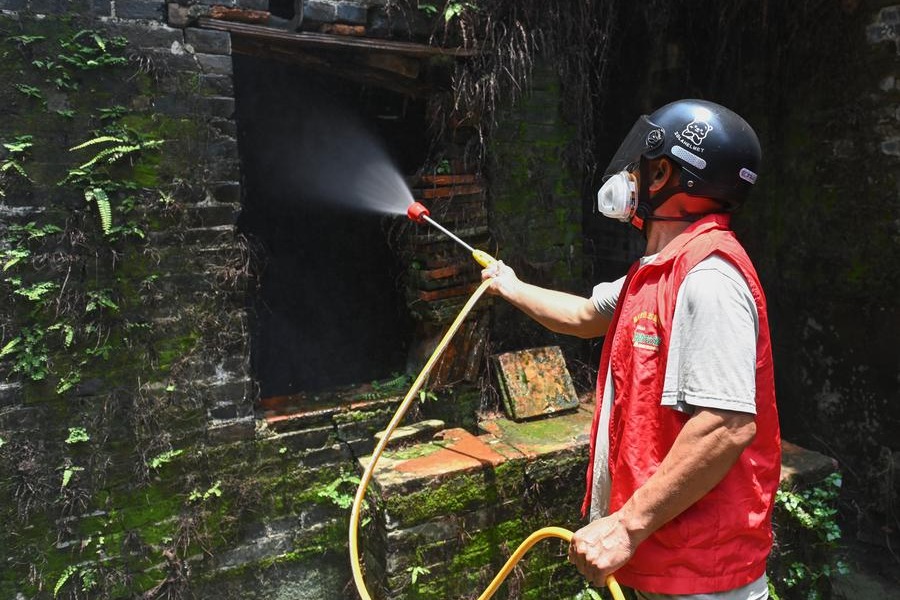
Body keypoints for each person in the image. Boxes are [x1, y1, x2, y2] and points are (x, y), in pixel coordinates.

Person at [481, 99, 781, 599]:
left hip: (700, 575)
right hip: (663, 557)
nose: (631, 177)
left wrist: (625, 527)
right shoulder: (657, 270)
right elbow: (581, 316)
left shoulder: (709, 277)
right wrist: (508, 285)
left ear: (663, 172)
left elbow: (725, 426)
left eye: (642, 165)